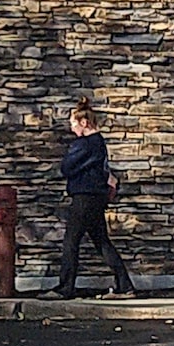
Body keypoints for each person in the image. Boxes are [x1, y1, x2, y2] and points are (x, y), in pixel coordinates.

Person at [51, 101, 136, 298]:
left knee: (71, 240)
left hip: (84, 196)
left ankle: (65, 287)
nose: (71, 128)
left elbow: (66, 167)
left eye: (73, 123)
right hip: (97, 197)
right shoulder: (100, 143)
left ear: (84, 122)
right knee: (101, 241)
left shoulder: (85, 144)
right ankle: (125, 285)